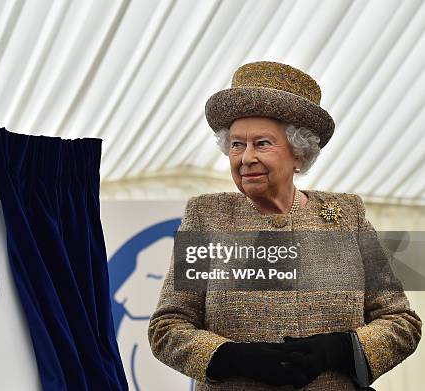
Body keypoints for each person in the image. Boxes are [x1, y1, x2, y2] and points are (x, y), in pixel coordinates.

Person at [147, 61, 422, 390]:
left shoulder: (348, 215)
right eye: (237, 144)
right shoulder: (208, 215)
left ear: (298, 154)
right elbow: (168, 326)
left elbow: (401, 321)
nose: (246, 157)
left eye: (262, 144)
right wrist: (231, 356)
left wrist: (340, 349)